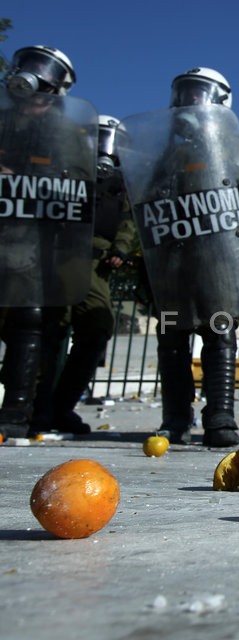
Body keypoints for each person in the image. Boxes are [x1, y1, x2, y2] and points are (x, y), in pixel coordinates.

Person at [145, 67, 239, 447]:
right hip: (175, 256)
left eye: (199, 93)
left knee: (219, 333)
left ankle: (220, 417)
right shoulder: (165, 152)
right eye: (186, 92)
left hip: (219, 255)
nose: (191, 101)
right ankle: (175, 418)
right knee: (172, 338)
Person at [0, 45, 92, 440]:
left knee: (31, 320)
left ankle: (18, 415)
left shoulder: (66, 134)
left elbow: (74, 185)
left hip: (35, 241)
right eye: (30, 65)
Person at [30, 114, 139, 435]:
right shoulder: (70, 173)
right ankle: (38, 407)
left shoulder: (121, 184)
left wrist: (120, 248)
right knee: (50, 331)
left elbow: (128, 222)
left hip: (97, 263)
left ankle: (59, 405)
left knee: (94, 328)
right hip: (62, 254)